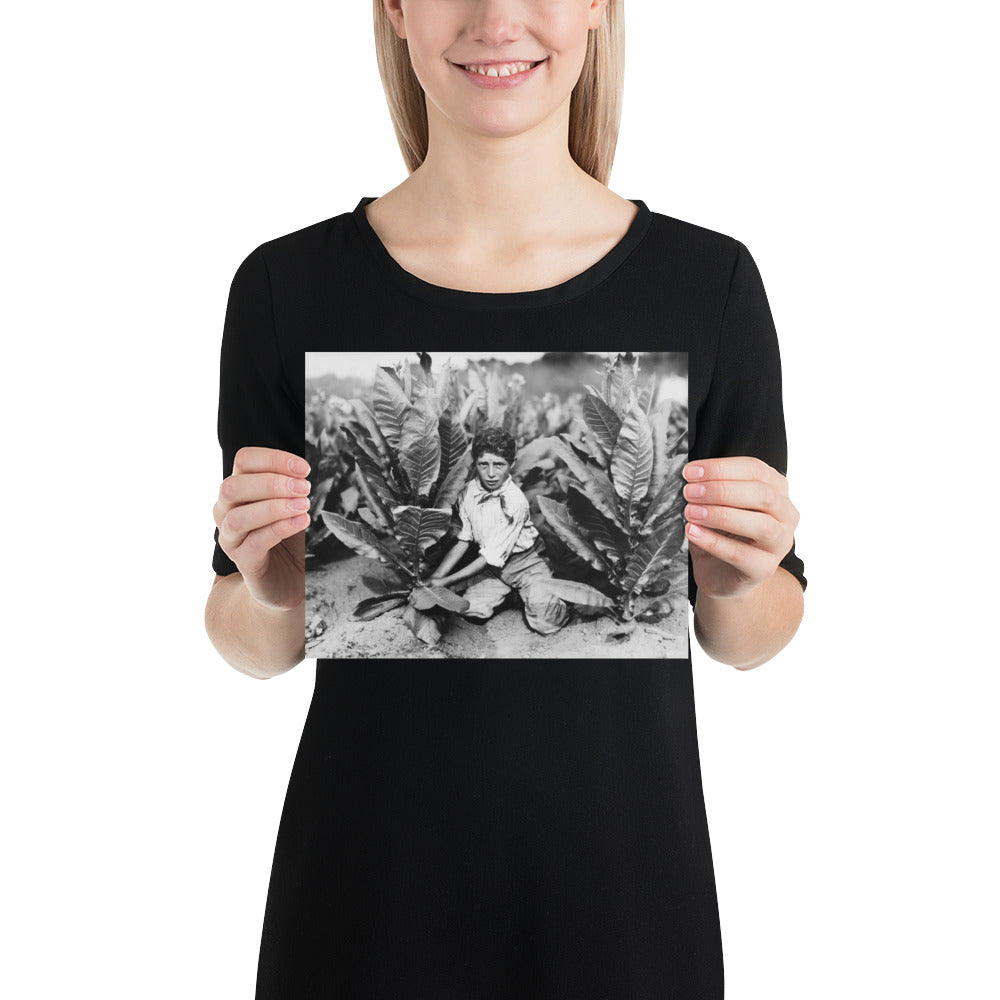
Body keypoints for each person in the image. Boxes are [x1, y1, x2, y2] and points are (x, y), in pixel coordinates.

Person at [205, 1, 808, 997]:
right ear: (396, 9)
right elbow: (247, 639)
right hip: (364, 914)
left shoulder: (709, 283)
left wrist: (733, 572)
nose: (497, 17)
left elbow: (755, 631)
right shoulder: (285, 287)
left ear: (598, 8)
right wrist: (270, 583)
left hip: (623, 913)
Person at [430, 426, 571, 635]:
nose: (491, 473)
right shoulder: (467, 492)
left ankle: (555, 599)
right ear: (475, 463)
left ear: (511, 464)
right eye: (483, 464)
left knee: (545, 622)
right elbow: (464, 539)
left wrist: (445, 582)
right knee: (471, 610)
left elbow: (489, 556)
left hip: (527, 563)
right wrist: (436, 575)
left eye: (499, 465)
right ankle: (511, 597)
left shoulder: (515, 501)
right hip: (495, 569)